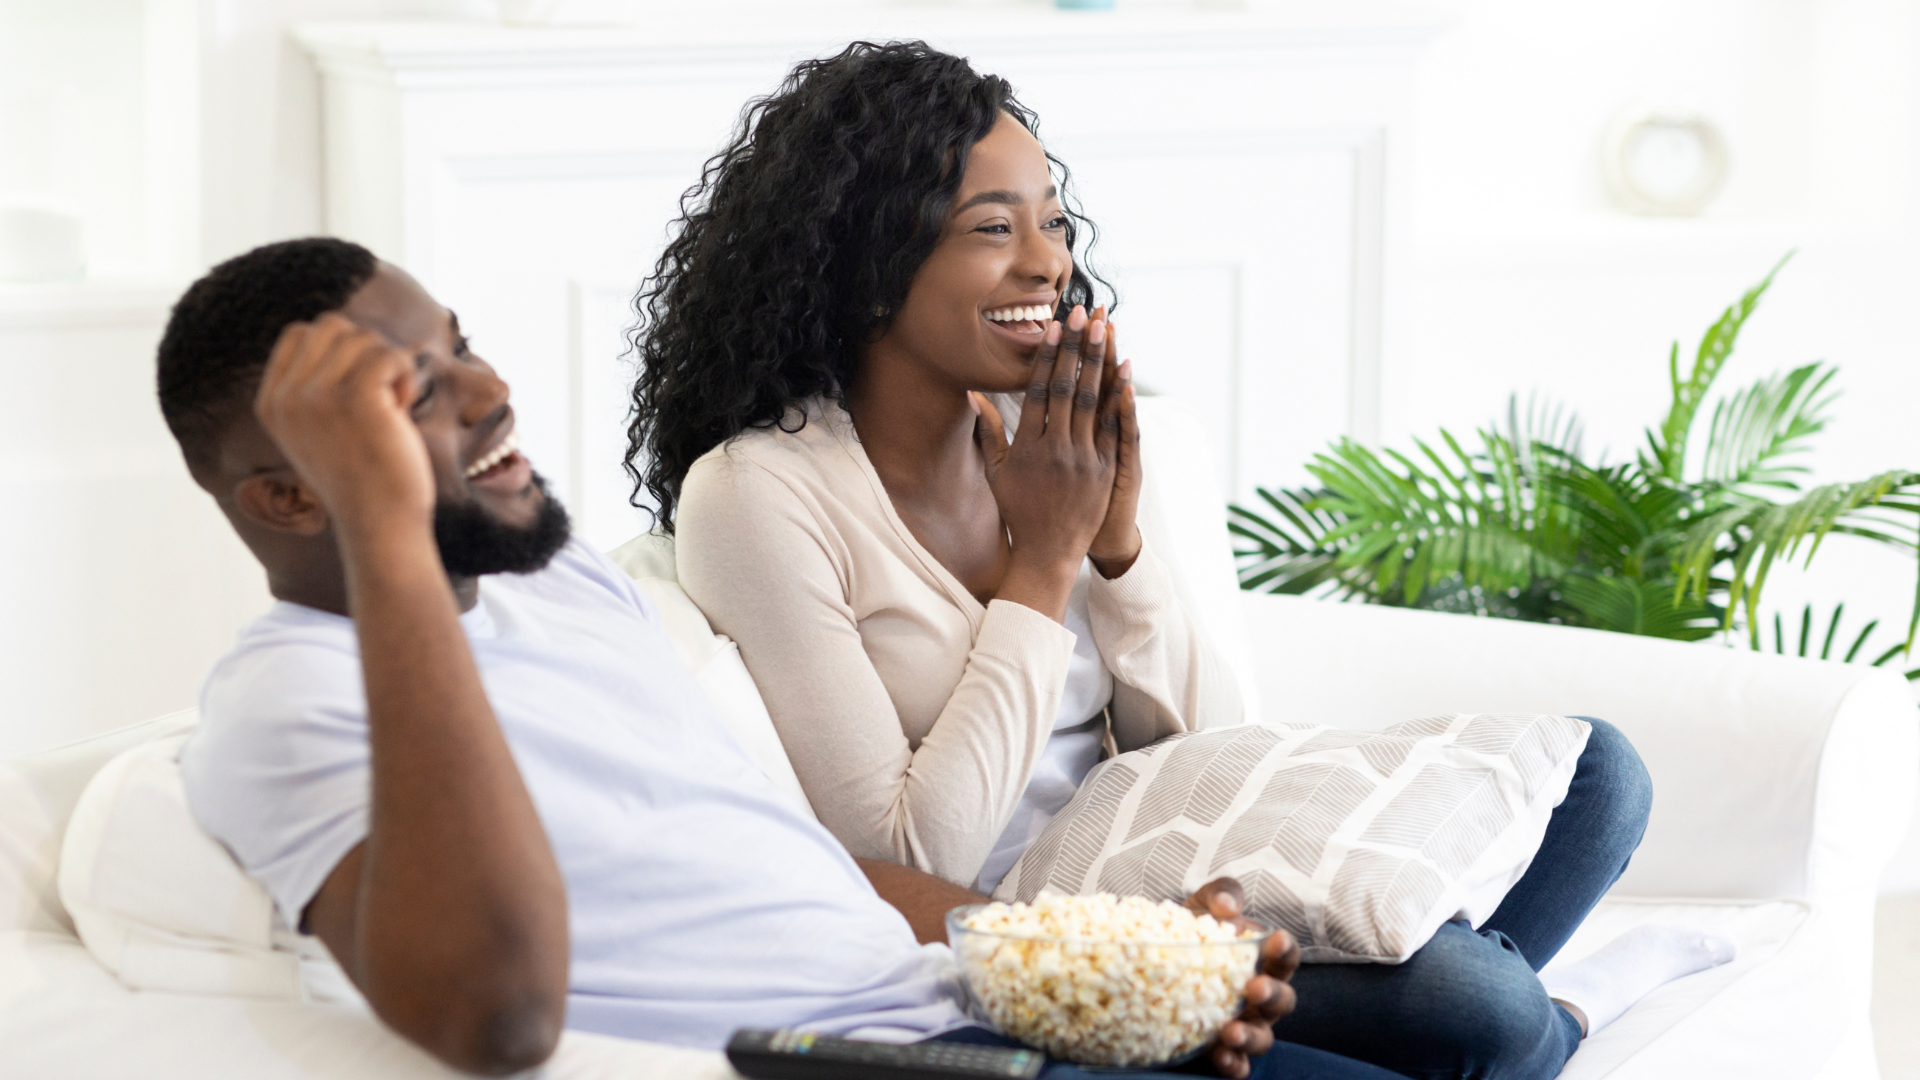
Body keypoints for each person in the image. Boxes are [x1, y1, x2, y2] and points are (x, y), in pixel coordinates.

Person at [628, 41, 1734, 1080]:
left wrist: (1117, 543)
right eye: (990, 228)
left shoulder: (1037, 430)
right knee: (1475, 1012)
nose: (1048, 261)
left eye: (1053, 222)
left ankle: (1454, 1021)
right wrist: (1043, 567)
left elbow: (1200, 753)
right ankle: (1554, 1020)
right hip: (1043, 932)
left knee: (1596, 775)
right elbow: (908, 855)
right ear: (869, 267)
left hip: (1173, 864)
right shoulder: (761, 492)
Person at [159, 236, 1397, 1080]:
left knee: (1466, 1010)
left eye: (464, 343)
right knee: (1473, 1026)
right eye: (410, 393)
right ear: (289, 498)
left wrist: (1087, 958)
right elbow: (499, 1015)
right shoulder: (282, 700)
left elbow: (798, 865)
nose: (491, 390)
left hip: (962, 1012)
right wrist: (388, 535)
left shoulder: (563, 584)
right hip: (862, 1062)